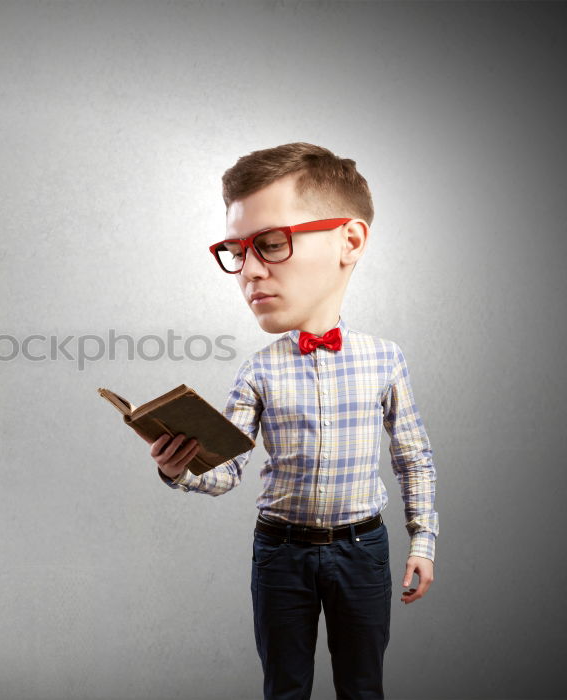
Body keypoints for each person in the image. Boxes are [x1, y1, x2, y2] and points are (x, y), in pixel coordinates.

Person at [146, 142, 438, 700]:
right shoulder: (257, 370)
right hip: (280, 553)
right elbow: (227, 470)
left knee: (362, 687)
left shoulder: (385, 359)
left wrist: (423, 542)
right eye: (237, 251)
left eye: (272, 244)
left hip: (363, 550)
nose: (249, 271)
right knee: (284, 687)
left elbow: (413, 457)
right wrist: (179, 468)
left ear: (349, 242)